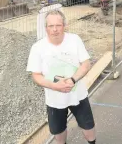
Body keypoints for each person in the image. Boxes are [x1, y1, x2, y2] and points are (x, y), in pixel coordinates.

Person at [26, 9, 96, 144]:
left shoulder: (74, 40)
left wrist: (73, 80)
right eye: (51, 26)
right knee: (58, 131)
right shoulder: (37, 48)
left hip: (78, 95)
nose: (55, 29)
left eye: (58, 25)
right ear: (46, 28)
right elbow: (36, 75)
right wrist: (54, 86)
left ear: (64, 26)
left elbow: (86, 64)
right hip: (54, 99)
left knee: (88, 126)